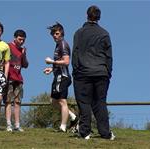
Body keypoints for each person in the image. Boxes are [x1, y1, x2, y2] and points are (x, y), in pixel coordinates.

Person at [72, 5, 115, 140]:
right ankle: (105, 133)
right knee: (100, 103)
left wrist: (76, 70)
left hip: (83, 73)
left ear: (87, 15)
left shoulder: (79, 33)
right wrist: (108, 72)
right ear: (99, 17)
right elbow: (109, 56)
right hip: (101, 72)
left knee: (84, 103)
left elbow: (75, 53)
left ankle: (85, 132)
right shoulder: (104, 33)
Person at [44, 22, 78, 132]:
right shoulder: (58, 45)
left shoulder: (63, 44)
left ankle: (63, 127)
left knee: (62, 101)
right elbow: (60, 62)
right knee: (53, 101)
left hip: (63, 77)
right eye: (53, 33)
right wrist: (52, 68)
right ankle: (73, 117)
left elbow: (67, 62)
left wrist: (51, 61)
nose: (55, 35)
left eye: (57, 33)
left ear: (62, 33)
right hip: (58, 75)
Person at [3, 29, 29, 132]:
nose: (21, 41)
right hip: (9, 78)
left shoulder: (22, 50)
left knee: (18, 102)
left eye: (23, 40)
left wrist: (24, 55)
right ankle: (9, 125)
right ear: (15, 38)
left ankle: (17, 125)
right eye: (20, 39)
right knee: (8, 101)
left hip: (19, 79)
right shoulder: (8, 46)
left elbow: (26, 65)